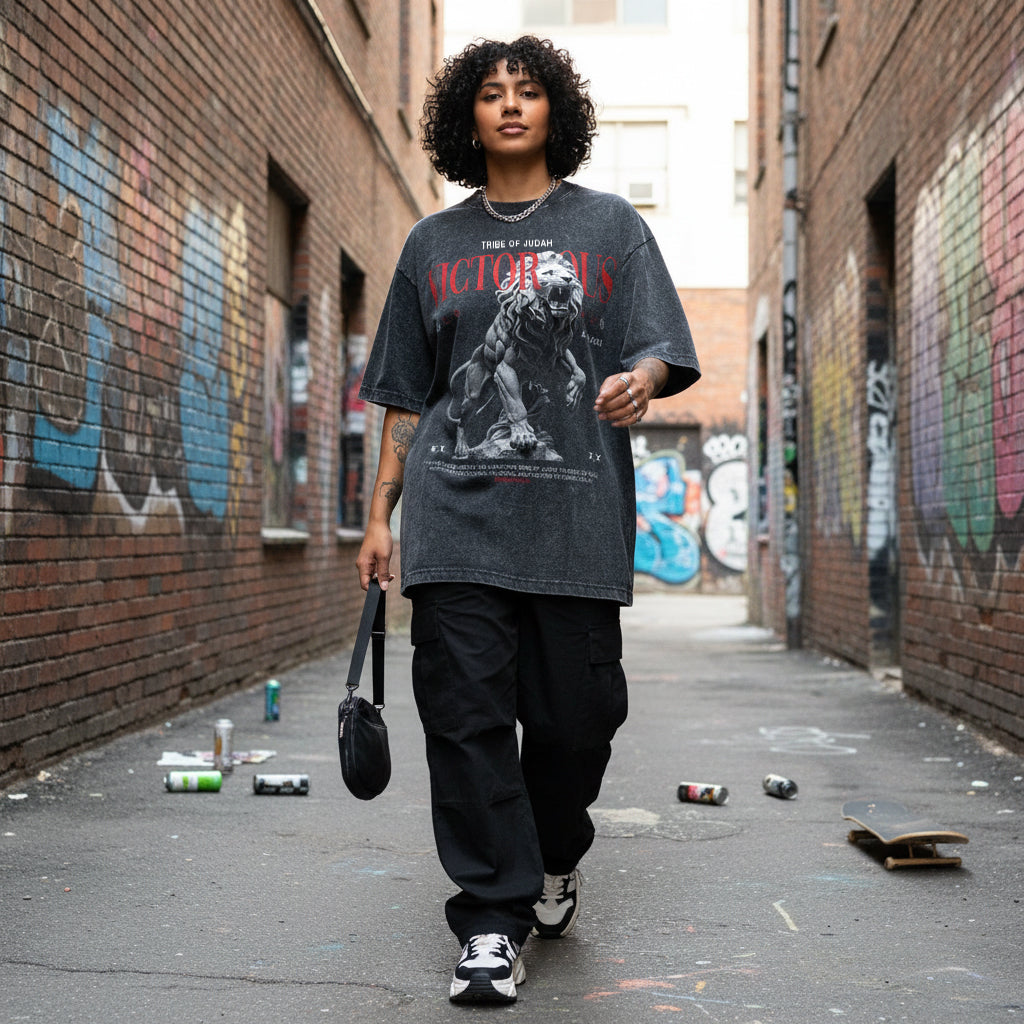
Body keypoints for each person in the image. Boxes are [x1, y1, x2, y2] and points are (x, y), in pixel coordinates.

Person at [356, 35, 700, 1004]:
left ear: (557, 112)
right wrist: (378, 516)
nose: (511, 106)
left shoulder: (609, 229)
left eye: (530, 91)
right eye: (492, 94)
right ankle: (491, 919)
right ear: (465, 117)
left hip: (576, 527)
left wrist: (640, 381)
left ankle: (553, 851)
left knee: (574, 724)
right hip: (454, 525)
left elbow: (656, 351)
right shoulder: (433, 245)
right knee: (463, 721)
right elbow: (406, 396)